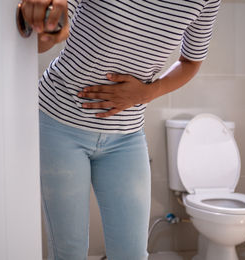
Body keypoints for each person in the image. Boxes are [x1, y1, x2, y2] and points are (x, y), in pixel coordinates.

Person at [21, 0, 220, 259]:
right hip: (60, 122)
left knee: (133, 254)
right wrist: (47, 24)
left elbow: (191, 61)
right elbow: (45, 33)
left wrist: (149, 92)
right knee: (68, 251)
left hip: (126, 136)